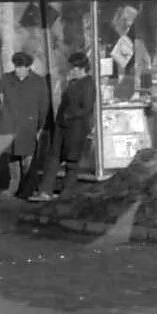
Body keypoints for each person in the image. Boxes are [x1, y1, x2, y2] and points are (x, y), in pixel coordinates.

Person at [28, 51, 96, 202]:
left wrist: (69, 115)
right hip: (62, 127)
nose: (71, 71)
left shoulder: (88, 84)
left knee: (72, 162)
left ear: (81, 68)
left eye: (74, 69)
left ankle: (66, 194)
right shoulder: (73, 83)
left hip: (76, 128)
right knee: (53, 158)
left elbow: (86, 108)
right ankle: (45, 191)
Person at [0, 51, 50, 200]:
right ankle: (14, 185)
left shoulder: (38, 81)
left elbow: (44, 105)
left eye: (22, 67)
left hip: (28, 126)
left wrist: (40, 125)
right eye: (17, 67)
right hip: (10, 125)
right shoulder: (7, 78)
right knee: (12, 157)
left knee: (27, 157)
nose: (19, 70)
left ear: (29, 67)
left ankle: (26, 188)